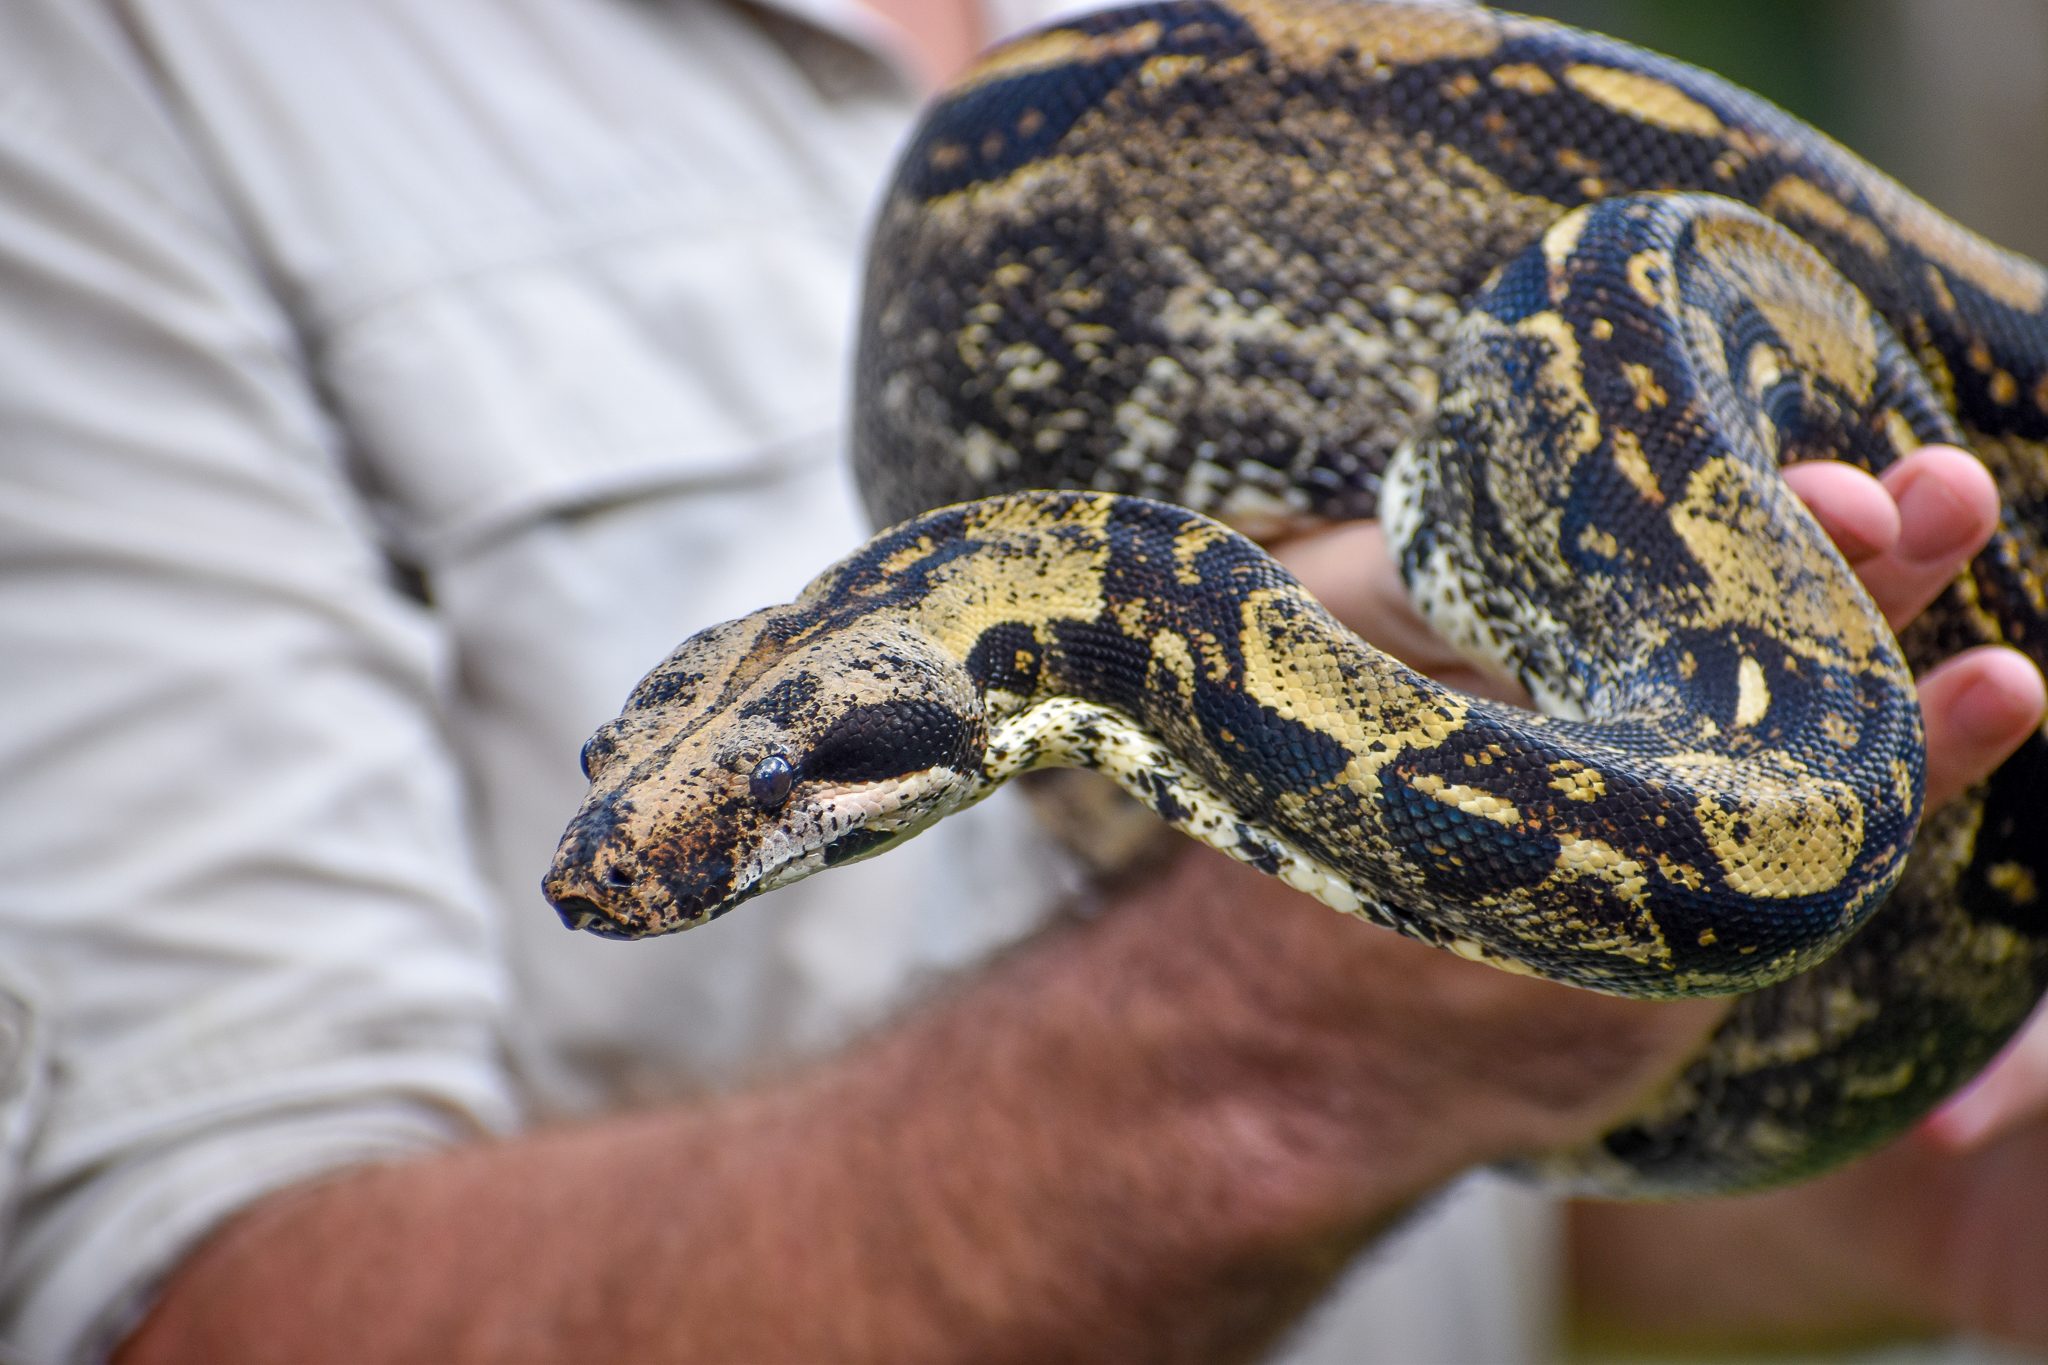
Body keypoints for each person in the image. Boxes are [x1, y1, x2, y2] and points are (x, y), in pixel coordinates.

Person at [0, 1, 2040, 1363]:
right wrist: (1314, 1022)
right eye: (696, 764)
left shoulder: (1378, 49)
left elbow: (1493, 1207)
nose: (662, 830)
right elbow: (177, 1302)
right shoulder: (111, 77)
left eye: (777, 782)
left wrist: (1905, 1208)